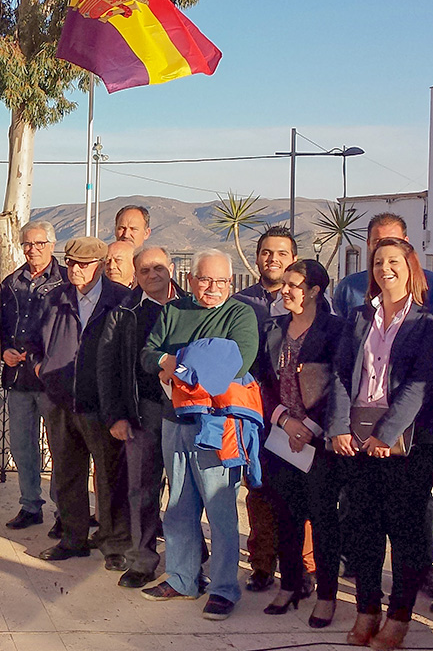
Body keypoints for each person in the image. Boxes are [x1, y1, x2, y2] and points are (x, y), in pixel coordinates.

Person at [328, 238, 433, 650]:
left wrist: (387, 433)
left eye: (394, 261)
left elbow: (420, 385)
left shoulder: (429, 323)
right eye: (378, 262)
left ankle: (399, 616)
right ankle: (367, 609)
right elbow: (343, 375)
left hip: (407, 445)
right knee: (362, 529)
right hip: (358, 441)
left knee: (406, 533)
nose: (385, 269)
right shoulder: (359, 317)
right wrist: (340, 427)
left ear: (411, 266)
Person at [140, 248, 259, 621]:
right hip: (174, 421)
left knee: (220, 510)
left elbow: (234, 362)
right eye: (205, 279)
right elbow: (147, 353)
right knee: (177, 506)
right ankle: (182, 578)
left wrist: (178, 363)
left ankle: (224, 589)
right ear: (191, 281)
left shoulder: (240, 314)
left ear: (231, 281)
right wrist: (165, 361)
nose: (213, 287)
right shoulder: (174, 310)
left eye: (221, 281)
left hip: (218, 425)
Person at [254, 260, 346, 627]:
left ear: (314, 291)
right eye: (286, 285)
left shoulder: (336, 330)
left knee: (323, 520)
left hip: (319, 442)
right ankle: (291, 585)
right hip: (280, 438)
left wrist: (308, 425)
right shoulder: (273, 328)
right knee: (285, 515)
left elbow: (341, 384)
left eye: (295, 285)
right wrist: (285, 421)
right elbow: (261, 382)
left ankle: (326, 595)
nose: (286, 291)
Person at [33, 237, 131, 562]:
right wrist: (41, 367)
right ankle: (72, 539)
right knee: (66, 473)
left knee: (109, 476)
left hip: (101, 405)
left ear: (100, 266)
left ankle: (114, 545)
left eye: (83, 264)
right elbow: (34, 339)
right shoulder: (53, 298)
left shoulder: (121, 300)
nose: (75, 269)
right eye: (71, 262)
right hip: (60, 401)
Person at [97, 246, 184, 589]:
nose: (152, 275)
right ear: (136, 275)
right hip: (142, 413)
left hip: (186, 414)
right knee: (141, 490)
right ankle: (142, 560)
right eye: (144, 270)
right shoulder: (125, 311)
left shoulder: (192, 307)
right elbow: (107, 369)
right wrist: (116, 416)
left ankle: (185, 562)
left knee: (183, 492)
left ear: (172, 267)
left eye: (158, 268)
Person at [232, 225, 297, 594]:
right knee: (258, 488)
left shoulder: (309, 303)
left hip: (297, 414)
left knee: (299, 491)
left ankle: (302, 566)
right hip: (254, 412)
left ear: (293, 259)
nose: (273, 259)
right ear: (257, 257)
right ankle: (261, 564)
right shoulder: (241, 303)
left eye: (282, 253)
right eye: (267, 252)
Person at [0, 220, 65, 530]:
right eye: (27, 244)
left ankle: (64, 511)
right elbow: (0, 326)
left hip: (51, 378)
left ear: (51, 245)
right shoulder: (11, 282)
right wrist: (4, 351)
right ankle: (30, 505)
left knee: (60, 446)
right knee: (22, 445)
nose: (32, 250)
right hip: (17, 378)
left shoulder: (66, 281)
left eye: (39, 244)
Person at [331, 213, 433, 320]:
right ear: (368, 244)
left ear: (406, 243)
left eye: (393, 241)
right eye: (378, 242)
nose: (385, 247)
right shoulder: (348, 288)